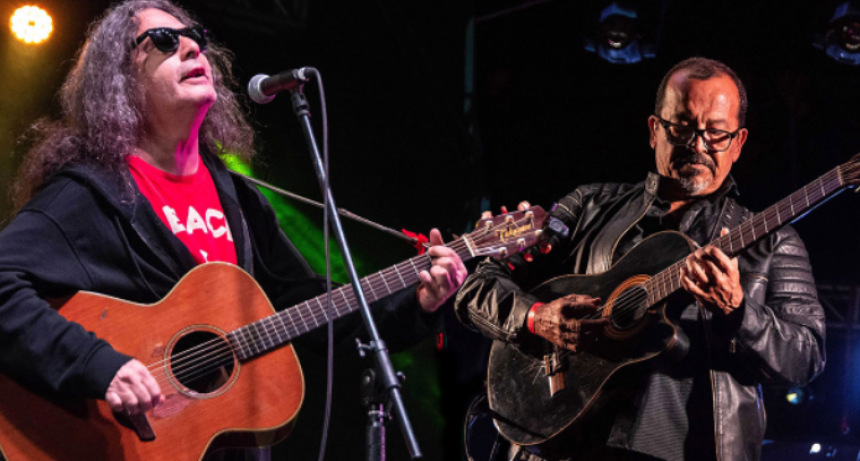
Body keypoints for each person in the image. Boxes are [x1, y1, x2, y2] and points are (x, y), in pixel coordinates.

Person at [0, 0, 466, 459]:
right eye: (164, 40)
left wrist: (417, 303)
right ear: (120, 78)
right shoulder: (90, 194)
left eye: (195, 39)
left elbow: (307, 306)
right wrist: (98, 365)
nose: (192, 49)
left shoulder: (239, 200)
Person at [455, 57, 826, 461]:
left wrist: (738, 311)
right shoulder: (588, 206)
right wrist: (535, 318)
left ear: (738, 143)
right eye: (682, 127)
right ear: (654, 130)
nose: (698, 145)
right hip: (563, 448)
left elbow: (806, 357)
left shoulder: (774, 242)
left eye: (717, 133)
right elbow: (476, 287)